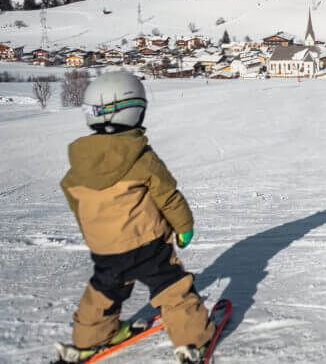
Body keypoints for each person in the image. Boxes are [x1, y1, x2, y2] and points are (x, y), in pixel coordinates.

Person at [57, 71, 214, 364]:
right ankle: (192, 340)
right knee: (171, 287)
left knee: (104, 290)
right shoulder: (142, 157)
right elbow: (167, 195)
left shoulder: (78, 166)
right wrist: (184, 227)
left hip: (105, 249)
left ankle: (89, 339)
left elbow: (76, 201)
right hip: (146, 244)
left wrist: (94, 234)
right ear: (134, 111)